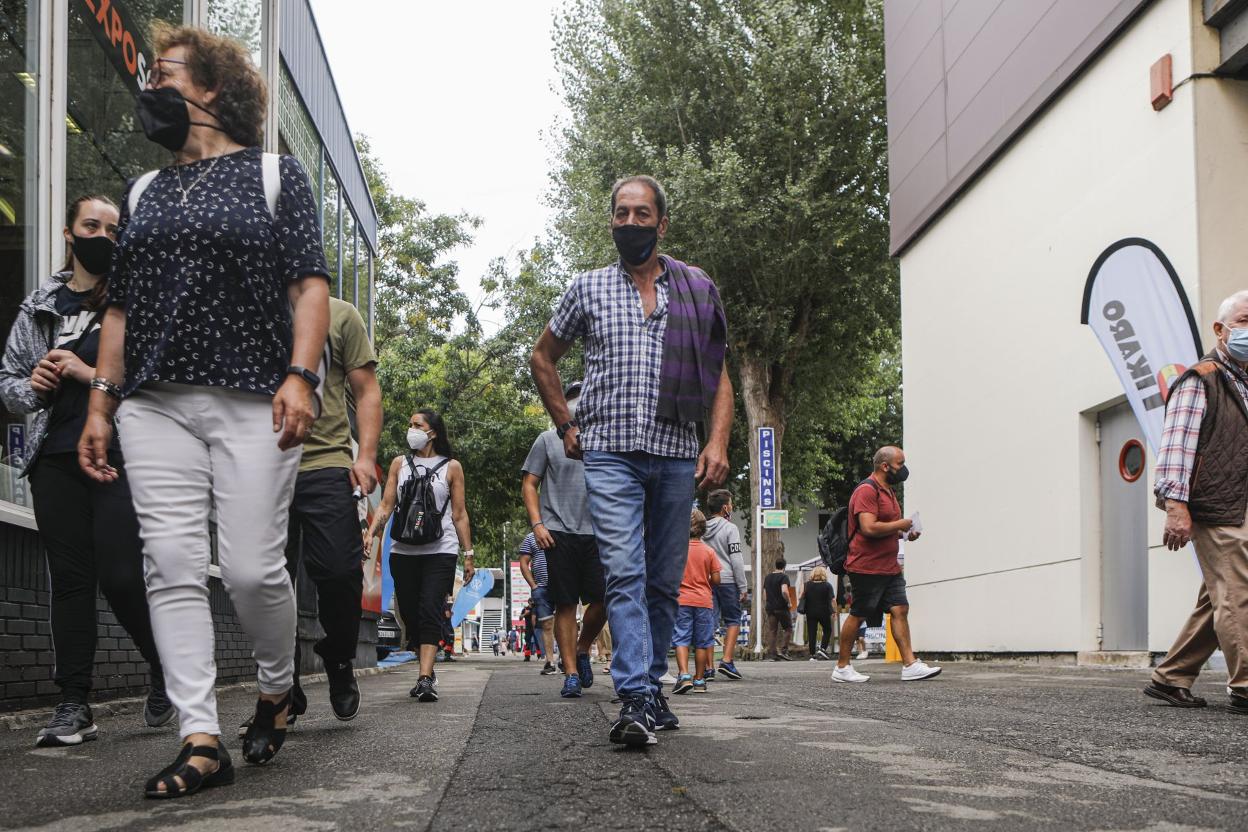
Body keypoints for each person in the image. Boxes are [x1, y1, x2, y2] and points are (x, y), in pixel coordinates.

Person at [78, 24, 331, 797]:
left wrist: (301, 373)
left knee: (255, 570)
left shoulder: (274, 176)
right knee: (173, 566)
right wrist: (101, 402)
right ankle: (200, 736)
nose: (151, 86)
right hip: (153, 404)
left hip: (255, 396)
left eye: (165, 74)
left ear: (211, 88)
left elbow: (308, 286)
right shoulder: (144, 191)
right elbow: (119, 309)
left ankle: (278, 684)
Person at [530, 175, 732, 747]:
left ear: (661, 224)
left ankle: (651, 684)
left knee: (665, 581)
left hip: (674, 455)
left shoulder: (696, 290)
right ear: (611, 221)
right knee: (623, 570)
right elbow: (543, 358)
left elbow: (718, 377)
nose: (631, 223)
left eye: (642, 214)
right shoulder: (588, 288)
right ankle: (636, 694)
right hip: (610, 454)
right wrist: (566, 426)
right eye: (621, 213)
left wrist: (716, 444)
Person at [0, 195, 173, 748]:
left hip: (120, 455)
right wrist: (35, 387)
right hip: (54, 457)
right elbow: (9, 381)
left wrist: (83, 370)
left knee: (121, 576)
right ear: (70, 234)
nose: (102, 235)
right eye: (90, 225)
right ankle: (74, 704)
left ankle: (164, 667)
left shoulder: (137, 299)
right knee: (70, 584)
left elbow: (154, 378)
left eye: (112, 229)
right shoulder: (41, 303)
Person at [241, 297, 380, 735]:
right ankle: (281, 689)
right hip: (260, 467)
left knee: (340, 573)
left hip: (326, 464)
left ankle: (338, 656)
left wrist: (367, 456)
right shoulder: (245, 306)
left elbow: (366, 389)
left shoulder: (340, 315)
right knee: (264, 582)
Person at [1147, 290, 1248, 714]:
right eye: (1245, 320)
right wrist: (1176, 506)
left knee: (1220, 592)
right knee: (1238, 592)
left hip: (1239, 502)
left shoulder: (1242, 381)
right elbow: (1176, 448)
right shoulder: (1200, 378)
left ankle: (1170, 676)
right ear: (1221, 329)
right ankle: (1245, 684)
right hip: (1215, 504)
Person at [366, 410, 475, 702]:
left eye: (417, 425)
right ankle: (424, 658)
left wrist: (469, 554)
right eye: (409, 424)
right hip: (403, 550)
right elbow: (386, 506)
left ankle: (425, 677)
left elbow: (460, 514)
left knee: (430, 608)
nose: (411, 429)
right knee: (410, 613)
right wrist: (371, 535)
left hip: (440, 549)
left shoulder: (452, 467)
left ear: (433, 432)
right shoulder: (399, 464)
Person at [521, 380, 609, 698]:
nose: (578, 404)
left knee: (605, 600)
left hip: (599, 532)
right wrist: (538, 525)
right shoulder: (547, 440)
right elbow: (530, 483)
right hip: (557, 533)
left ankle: (583, 648)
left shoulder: (606, 439)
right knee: (566, 603)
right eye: (572, 398)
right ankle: (570, 672)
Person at [831, 447, 940, 683]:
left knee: (900, 609)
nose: (904, 469)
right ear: (885, 466)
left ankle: (910, 664)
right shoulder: (866, 491)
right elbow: (869, 527)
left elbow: (887, 528)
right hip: (866, 566)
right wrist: (900, 524)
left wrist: (905, 533)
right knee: (858, 614)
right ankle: (842, 667)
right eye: (900, 464)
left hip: (888, 566)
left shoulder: (888, 491)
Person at [672, 511, 721, 695]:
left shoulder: (678, 550)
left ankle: (684, 675)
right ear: (703, 530)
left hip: (682, 599)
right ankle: (699, 680)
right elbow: (716, 579)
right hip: (704, 601)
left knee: (681, 638)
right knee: (702, 642)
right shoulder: (709, 551)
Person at [703, 489, 747, 680]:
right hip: (728, 580)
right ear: (725, 508)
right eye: (731, 504)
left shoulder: (701, 528)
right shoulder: (731, 528)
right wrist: (743, 585)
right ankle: (727, 661)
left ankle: (707, 667)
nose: (732, 506)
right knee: (733, 620)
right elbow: (736, 559)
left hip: (706, 580)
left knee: (708, 623)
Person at [517, 532, 559, 675]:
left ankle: (567, 660)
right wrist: (534, 586)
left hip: (563, 585)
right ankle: (550, 661)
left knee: (564, 622)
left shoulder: (562, 532)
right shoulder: (531, 537)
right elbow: (523, 562)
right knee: (547, 625)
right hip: (541, 588)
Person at [801, 567, 835, 661]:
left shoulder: (807, 585)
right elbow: (832, 600)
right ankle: (822, 649)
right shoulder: (827, 585)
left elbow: (802, 596)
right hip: (824, 611)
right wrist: (834, 611)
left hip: (810, 612)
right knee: (827, 630)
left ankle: (812, 655)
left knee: (812, 633)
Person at [763, 559, 793, 660]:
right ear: (784, 566)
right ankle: (784, 651)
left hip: (770, 608)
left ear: (775, 565)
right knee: (788, 628)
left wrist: (768, 603)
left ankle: (772, 654)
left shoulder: (767, 577)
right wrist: (789, 601)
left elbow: (764, 594)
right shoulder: (784, 577)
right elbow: (784, 591)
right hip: (781, 607)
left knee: (772, 630)